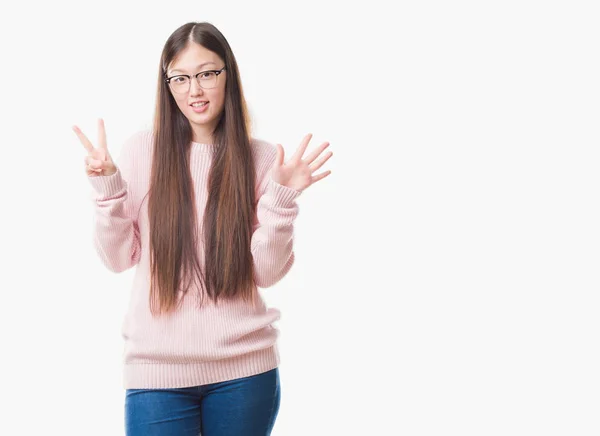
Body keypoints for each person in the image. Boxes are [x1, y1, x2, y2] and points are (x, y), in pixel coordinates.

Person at [72, 21, 332, 436]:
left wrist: (281, 200)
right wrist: (107, 188)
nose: (194, 89)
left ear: (228, 74)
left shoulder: (262, 160)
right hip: (156, 373)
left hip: (244, 372)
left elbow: (266, 272)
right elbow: (119, 258)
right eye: (180, 77)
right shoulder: (142, 151)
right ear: (168, 84)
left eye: (207, 73)